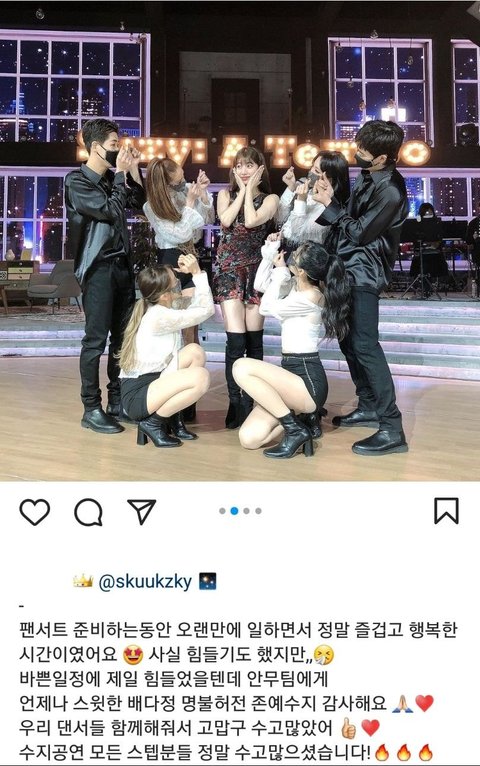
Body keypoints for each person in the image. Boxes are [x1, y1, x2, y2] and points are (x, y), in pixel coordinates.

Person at [313, 119, 409, 456]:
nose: (357, 154)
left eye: (363, 151)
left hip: (365, 272)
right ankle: (368, 404)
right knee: (347, 340)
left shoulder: (391, 190)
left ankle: (392, 427)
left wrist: (330, 206)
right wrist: (330, 201)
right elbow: (348, 221)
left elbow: (359, 232)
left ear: (382, 158)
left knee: (366, 346)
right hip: (345, 268)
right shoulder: (368, 176)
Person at [232, 237, 351, 459]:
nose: (290, 257)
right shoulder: (294, 286)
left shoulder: (313, 296)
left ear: (302, 271)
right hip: (288, 379)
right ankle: (299, 422)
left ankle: (295, 429)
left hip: (307, 382)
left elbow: (266, 307)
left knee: (241, 366)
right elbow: (260, 286)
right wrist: (269, 253)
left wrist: (279, 272)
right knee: (249, 439)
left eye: (295, 256)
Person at [65, 118, 146, 434]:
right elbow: (110, 211)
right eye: (114, 145)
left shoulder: (114, 178)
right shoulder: (76, 181)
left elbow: (139, 202)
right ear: (96, 147)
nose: (118, 150)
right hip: (97, 268)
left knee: (122, 339)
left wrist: (132, 170)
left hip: (122, 268)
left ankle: (117, 401)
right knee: (95, 341)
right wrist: (121, 175)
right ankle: (91, 408)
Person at [119, 254, 213, 448]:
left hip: (154, 381)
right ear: (164, 295)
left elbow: (197, 307)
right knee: (201, 378)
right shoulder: (159, 316)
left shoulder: (162, 306)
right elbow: (205, 310)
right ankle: (152, 423)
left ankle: (173, 420)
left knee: (195, 352)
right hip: (139, 395)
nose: (179, 282)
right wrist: (197, 273)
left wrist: (192, 274)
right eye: (175, 281)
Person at [214, 146, 279, 429]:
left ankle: (251, 402)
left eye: (249, 165)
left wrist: (251, 191)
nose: (243, 170)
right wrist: (241, 191)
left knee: (254, 344)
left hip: (256, 273)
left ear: (260, 168)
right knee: (235, 343)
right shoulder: (224, 194)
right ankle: (234, 402)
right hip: (228, 271)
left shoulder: (271, 199)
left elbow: (252, 221)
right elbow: (226, 220)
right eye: (239, 165)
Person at [143, 157, 214, 346]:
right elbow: (179, 235)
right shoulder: (152, 206)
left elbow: (206, 219)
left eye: (183, 177)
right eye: (179, 180)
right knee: (176, 319)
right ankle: (176, 360)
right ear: (167, 183)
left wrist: (202, 193)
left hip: (190, 255)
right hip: (171, 259)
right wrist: (190, 202)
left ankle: (194, 358)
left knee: (193, 320)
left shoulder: (184, 192)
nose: (184, 183)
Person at [277, 150, 350, 250]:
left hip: (301, 255)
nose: (310, 172)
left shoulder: (330, 209)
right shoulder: (306, 188)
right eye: (312, 166)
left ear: (330, 180)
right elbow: (280, 218)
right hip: (282, 248)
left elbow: (298, 234)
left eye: (316, 171)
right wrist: (290, 187)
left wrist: (301, 201)